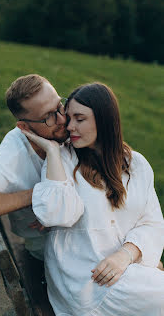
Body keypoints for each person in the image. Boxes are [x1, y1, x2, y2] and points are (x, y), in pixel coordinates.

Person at [22, 82, 164, 316]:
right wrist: (53, 152)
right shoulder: (63, 161)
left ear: (105, 119)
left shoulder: (136, 164)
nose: (70, 126)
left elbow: (152, 223)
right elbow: (55, 214)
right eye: (68, 118)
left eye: (80, 118)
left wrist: (125, 254)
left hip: (124, 269)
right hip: (86, 280)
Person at [0, 73, 68, 261]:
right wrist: (43, 195)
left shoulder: (65, 129)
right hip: (50, 245)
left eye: (59, 106)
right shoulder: (13, 154)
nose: (62, 120)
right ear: (24, 126)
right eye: (48, 116)